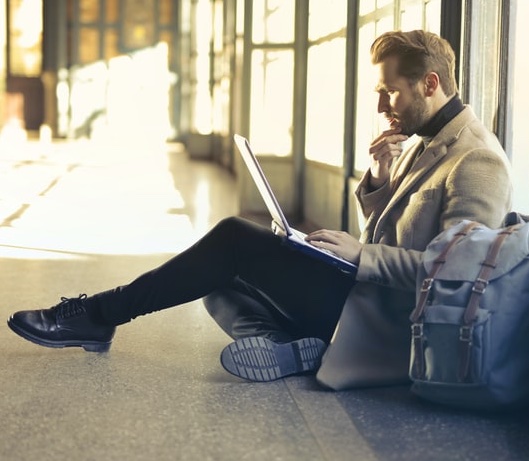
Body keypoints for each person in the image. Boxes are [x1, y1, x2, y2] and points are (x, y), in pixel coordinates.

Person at [7, 30, 512, 386]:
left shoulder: (477, 160)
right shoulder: (425, 139)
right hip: (362, 294)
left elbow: (459, 281)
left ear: (429, 84)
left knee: (231, 239)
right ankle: (289, 346)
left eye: (390, 92)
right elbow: (396, 235)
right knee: (216, 281)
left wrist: (360, 257)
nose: (382, 107)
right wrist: (379, 182)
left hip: (390, 325)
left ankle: (99, 314)